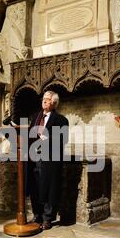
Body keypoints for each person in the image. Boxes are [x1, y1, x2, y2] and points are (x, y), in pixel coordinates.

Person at [27, 90, 69, 230]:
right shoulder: (35, 117)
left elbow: (64, 139)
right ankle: (37, 215)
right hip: (34, 158)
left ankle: (47, 219)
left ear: (54, 103)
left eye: (48, 99)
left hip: (50, 159)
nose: (44, 101)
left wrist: (47, 139)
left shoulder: (61, 120)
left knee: (50, 188)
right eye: (44, 98)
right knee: (35, 187)